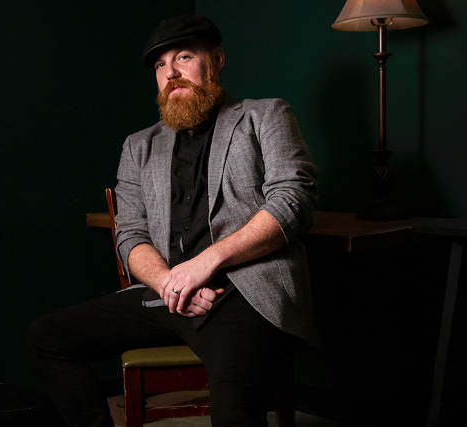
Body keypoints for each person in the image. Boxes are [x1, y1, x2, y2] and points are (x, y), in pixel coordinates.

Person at [25, 15, 319, 427]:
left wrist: (206, 262)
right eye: (161, 65)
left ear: (216, 60)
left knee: (235, 409)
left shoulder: (264, 115)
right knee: (45, 337)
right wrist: (169, 283)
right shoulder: (139, 146)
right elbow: (130, 234)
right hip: (168, 294)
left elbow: (294, 200)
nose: (171, 73)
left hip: (242, 292)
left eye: (183, 57)